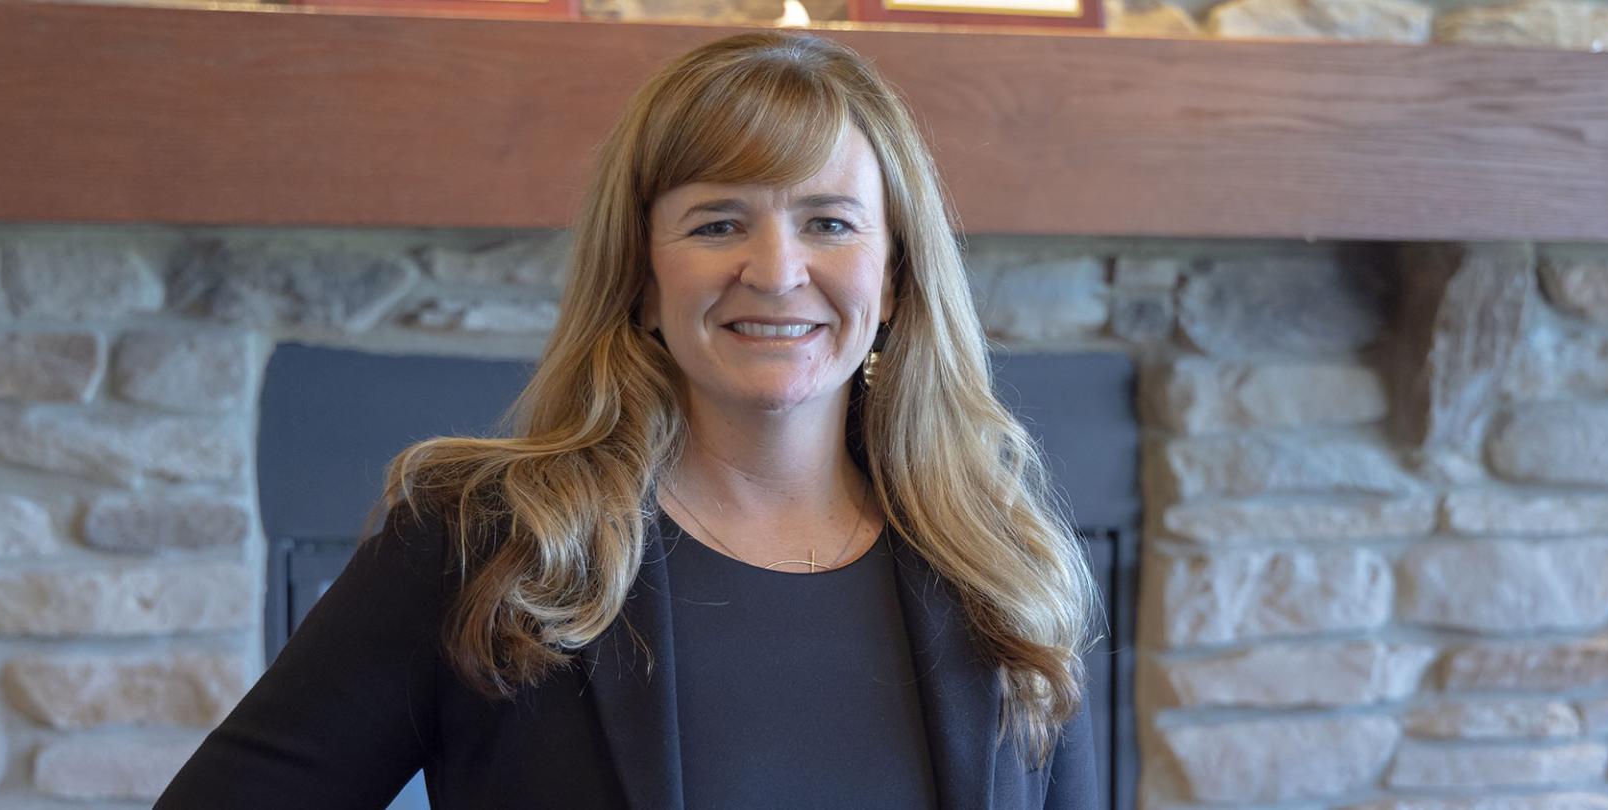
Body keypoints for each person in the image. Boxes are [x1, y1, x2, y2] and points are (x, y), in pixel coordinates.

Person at [154, 30, 1102, 810]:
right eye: (718, 222)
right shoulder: (482, 537)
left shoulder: (1006, 567)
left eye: (830, 222)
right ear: (642, 280)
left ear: (893, 278)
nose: (776, 272)